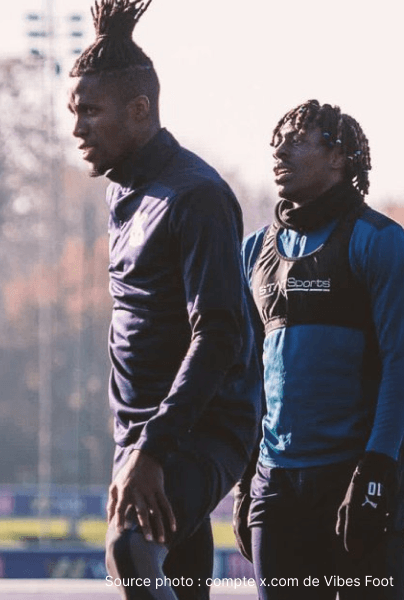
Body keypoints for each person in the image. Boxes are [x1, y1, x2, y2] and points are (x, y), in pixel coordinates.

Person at [66, 2, 261, 598]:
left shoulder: (195, 195)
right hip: (142, 433)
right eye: (74, 112)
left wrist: (153, 448)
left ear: (140, 109)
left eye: (91, 112)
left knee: (130, 549)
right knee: (180, 579)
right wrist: (136, 440)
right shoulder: (123, 190)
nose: (77, 130)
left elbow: (221, 333)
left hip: (196, 429)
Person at [235, 100, 404, 600]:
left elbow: (400, 363)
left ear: (338, 157)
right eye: (277, 142)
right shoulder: (253, 252)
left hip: (357, 477)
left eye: (297, 141)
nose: (279, 151)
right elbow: (247, 376)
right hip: (276, 484)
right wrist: (245, 480)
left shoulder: (380, 241)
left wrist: (376, 471)